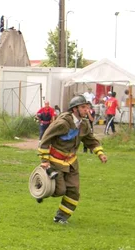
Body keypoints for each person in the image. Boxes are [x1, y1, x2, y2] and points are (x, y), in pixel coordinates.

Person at [37, 95, 107, 224]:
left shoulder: (84, 124)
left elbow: (90, 140)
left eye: (88, 107)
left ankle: (61, 217)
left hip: (72, 162)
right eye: (83, 107)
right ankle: (41, 187)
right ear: (75, 109)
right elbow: (46, 138)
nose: (87, 110)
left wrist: (100, 153)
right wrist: (44, 161)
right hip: (56, 161)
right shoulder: (63, 123)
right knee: (60, 190)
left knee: (74, 190)